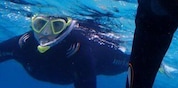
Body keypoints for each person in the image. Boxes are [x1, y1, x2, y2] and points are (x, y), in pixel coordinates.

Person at [0, 14, 129, 88]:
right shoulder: (23, 45)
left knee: (135, 63)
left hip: (103, 60)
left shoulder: (80, 51)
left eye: (56, 25)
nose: (45, 32)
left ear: (66, 28)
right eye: (40, 24)